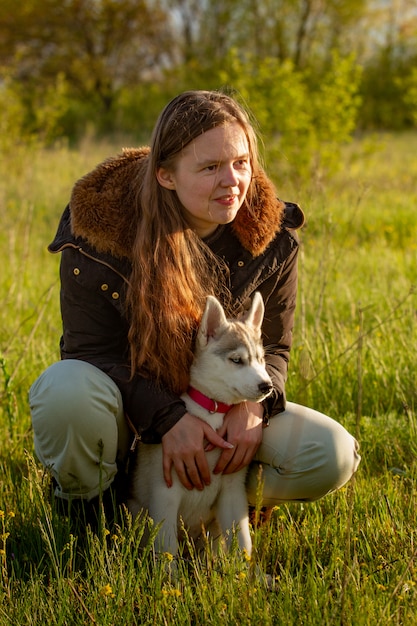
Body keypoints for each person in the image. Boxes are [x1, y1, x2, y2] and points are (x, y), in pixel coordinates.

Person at [29, 90, 360, 517]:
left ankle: (207, 513)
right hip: (129, 424)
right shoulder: (101, 232)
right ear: (166, 175)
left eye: (241, 163)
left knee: (330, 453)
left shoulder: (271, 236)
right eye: (210, 167)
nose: (233, 181)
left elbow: (274, 349)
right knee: (66, 392)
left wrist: (255, 406)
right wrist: (167, 419)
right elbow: (90, 353)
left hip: (224, 411)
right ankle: (94, 512)